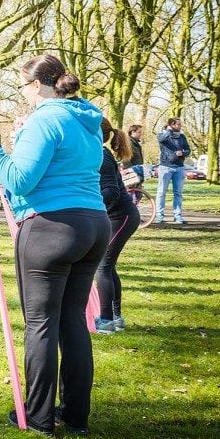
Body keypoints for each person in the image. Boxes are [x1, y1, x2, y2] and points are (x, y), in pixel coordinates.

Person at [0, 54, 110, 437]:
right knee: (72, 320)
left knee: (41, 324)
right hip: (94, 224)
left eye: (22, 87)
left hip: (51, 227)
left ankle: (40, 416)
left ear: (37, 85)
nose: (23, 95)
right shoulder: (88, 120)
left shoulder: (45, 119)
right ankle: (76, 415)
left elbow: (19, 180)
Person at [94, 118, 141, 334]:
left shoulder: (101, 156)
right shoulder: (96, 153)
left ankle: (106, 320)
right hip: (115, 216)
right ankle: (116, 317)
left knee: (102, 266)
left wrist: (92, 203)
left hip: (121, 217)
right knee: (108, 266)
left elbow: (111, 192)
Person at [155, 117, 190, 225]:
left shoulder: (182, 137)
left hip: (179, 167)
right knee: (161, 192)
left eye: (180, 124)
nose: (180, 126)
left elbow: (188, 150)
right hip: (165, 167)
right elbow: (161, 140)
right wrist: (169, 130)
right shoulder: (163, 135)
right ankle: (159, 216)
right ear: (172, 125)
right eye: (178, 124)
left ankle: (177, 216)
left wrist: (183, 153)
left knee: (178, 193)